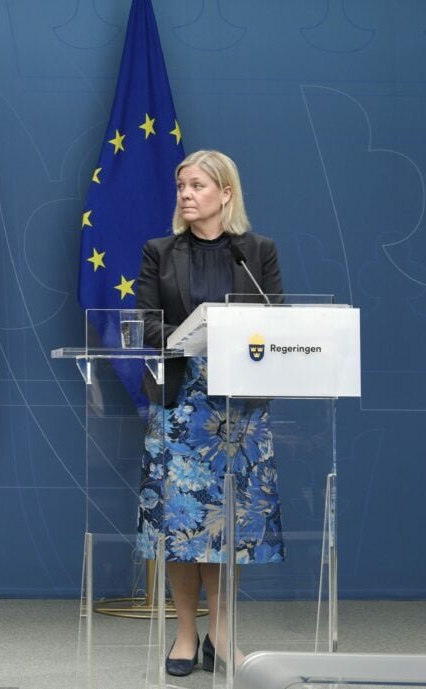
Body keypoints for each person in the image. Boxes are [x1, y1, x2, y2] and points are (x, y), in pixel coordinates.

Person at [134, 150, 284, 677]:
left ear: (225, 193)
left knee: (227, 525)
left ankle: (221, 635)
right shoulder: (159, 252)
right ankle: (185, 633)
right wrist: (192, 336)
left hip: (237, 407)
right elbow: (144, 323)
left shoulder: (256, 252)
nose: (186, 194)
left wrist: (230, 335)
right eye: (181, 186)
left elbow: (275, 320)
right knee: (180, 524)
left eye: (197, 185)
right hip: (180, 403)